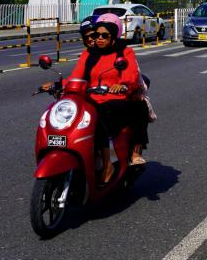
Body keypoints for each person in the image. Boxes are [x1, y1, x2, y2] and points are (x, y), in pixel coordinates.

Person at [53, 13, 146, 184]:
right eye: (96, 35)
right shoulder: (88, 54)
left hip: (116, 98)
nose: (99, 39)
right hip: (91, 98)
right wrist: (58, 84)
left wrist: (123, 85)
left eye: (104, 35)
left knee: (99, 115)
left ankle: (107, 164)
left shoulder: (125, 52)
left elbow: (130, 74)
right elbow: (76, 76)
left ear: (113, 36)